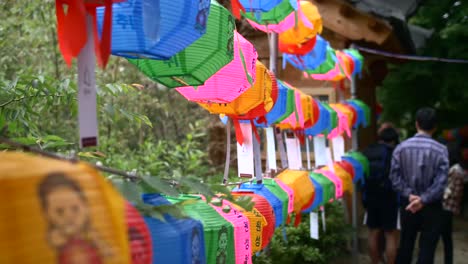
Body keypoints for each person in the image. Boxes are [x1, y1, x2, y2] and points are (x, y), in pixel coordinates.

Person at [390, 107, 449, 264]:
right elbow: (441, 181)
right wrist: (423, 199)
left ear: (417, 124)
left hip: (408, 205)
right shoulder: (441, 150)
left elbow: (394, 177)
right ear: (435, 126)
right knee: (427, 249)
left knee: (405, 246)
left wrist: (410, 195)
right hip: (432, 205)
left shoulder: (400, 148)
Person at [363, 125, 400, 264]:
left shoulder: (368, 151)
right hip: (389, 198)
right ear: (393, 140)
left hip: (371, 196)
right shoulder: (394, 153)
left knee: (373, 233)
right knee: (390, 235)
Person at [441, 142, 466, 264]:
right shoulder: (457, 168)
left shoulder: (456, 170)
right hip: (449, 207)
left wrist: (438, 194)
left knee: (441, 237)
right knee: (446, 237)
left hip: (445, 206)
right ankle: (448, 261)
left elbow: (452, 192)